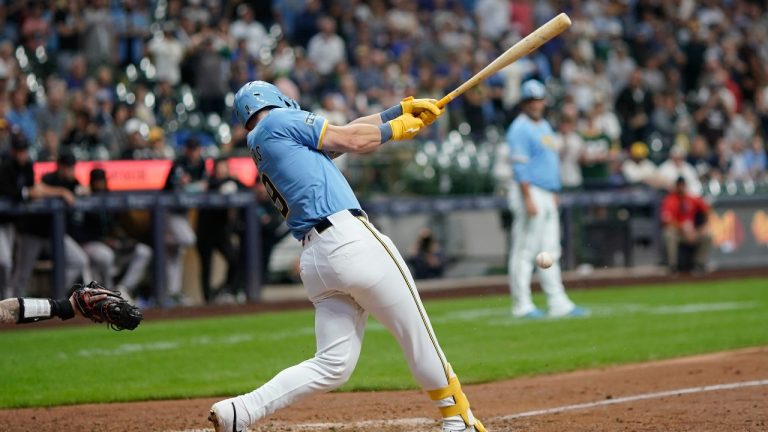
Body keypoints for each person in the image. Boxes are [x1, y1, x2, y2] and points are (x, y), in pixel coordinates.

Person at [207, 81, 486, 432]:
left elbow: (345, 136)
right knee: (416, 332)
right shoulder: (280, 122)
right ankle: (457, 418)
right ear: (274, 99)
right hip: (350, 240)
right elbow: (355, 140)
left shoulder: (263, 139)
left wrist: (396, 112)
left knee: (332, 364)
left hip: (317, 259)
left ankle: (240, 412)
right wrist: (398, 130)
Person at [505, 79, 588, 319]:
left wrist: (554, 193)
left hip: (547, 192)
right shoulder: (519, 128)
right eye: (531, 100)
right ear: (523, 103)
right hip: (529, 191)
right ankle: (522, 305)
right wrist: (528, 197)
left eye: (539, 99)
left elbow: (548, 163)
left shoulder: (544, 126)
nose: (535, 104)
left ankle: (557, 302)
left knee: (551, 250)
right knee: (525, 249)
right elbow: (520, 166)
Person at [7, 148, 88, 298]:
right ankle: (10, 306)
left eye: (72, 167)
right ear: (60, 166)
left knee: (78, 260)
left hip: (54, 235)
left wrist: (82, 190)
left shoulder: (72, 181)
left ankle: (55, 297)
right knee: (22, 273)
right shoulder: (50, 178)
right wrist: (62, 192)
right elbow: (38, 189)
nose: (70, 170)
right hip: (33, 233)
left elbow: (84, 189)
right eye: (67, 167)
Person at [74, 168, 152, 300]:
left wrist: (123, 239)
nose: (100, 184)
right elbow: (79, 230)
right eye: (97, 181)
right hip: (90, 244)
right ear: (92, 182)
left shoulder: (111, 198)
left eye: (102, 181)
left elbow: (118, 225)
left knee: (144, 252)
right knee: (106, 255)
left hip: (112, 245)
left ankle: (124, 289)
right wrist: (103, 239)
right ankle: (107, 293)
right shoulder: (84, 198)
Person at [163, 138, 205, 304]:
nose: (194, 153)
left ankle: (172, 293)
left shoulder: (201, 163)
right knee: (188, 239)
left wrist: (194, 186)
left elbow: (204, 184)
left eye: (196, 149)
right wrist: (195, 186)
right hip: (168, 212)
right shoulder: (179, 162)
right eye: (191, 149)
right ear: (186, 150)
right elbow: (178, 186)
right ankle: (169, 238)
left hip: (183, 213)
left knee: (175, 255)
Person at [196, 158, 244, 303]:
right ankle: (207, 299)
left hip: (221, 231)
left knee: (234, 260)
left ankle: (225, 290)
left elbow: (246, 189)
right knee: (206, 266)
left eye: (225, 167)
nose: (222, 170)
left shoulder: (231, 181)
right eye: (220, 167)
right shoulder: (209, 181)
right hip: (204, 230)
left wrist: (234, 181)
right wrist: (224, 184)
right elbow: (208, 186)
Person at [660, 176, 713, 273]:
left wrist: (702, 228)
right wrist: (683, 229)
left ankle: (699, 264)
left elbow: (707, 210)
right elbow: (667, 220)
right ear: (675, 187)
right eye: (679, 186)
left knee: (708, 235)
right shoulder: (670, 200)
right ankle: (673, 266)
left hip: (693, 231)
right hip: (679, 232)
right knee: (668, 234)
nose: (681, 188)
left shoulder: (691, 198)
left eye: (682, 185)